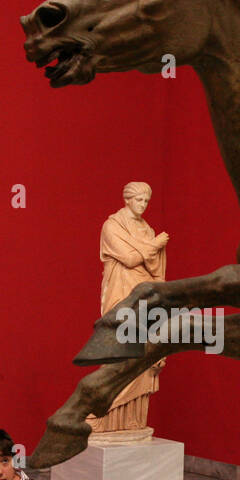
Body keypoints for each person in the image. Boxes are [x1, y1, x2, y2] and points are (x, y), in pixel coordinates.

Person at [87, 181, 168, 433]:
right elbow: (131, 258)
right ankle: (103, 413)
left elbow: (155, 270)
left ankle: (132, 420)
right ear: (127, 200)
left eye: (146, 201)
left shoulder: (147, 229)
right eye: (138, 200)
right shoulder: (112, 226)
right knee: (121, 349)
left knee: (144, 351)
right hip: (121, 292)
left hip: (145, 295)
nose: (142, 205)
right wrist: (155, 244)